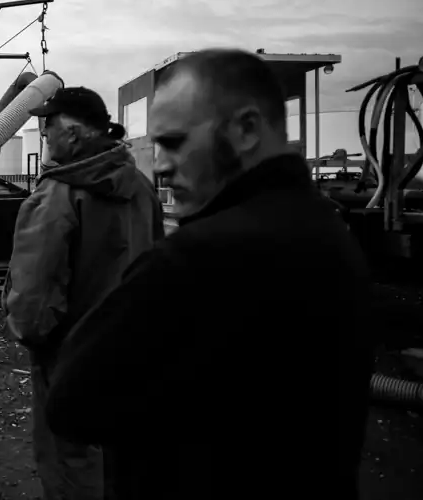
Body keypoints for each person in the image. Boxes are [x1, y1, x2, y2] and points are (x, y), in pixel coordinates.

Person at [45, 49, 374, 499]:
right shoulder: (331, 235)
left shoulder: (197, 260)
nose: (161, 165)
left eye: (175, 142)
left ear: (247, 129)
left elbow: (71, 404)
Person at [1, 86, 166, 500]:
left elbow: (33, 302)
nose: (44, 135)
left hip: (71, 360)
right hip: (132, 355)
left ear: (72, 134)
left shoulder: (56, 197)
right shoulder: (141, 188)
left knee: (71, 463)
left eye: (49, 127)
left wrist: (33, 339)